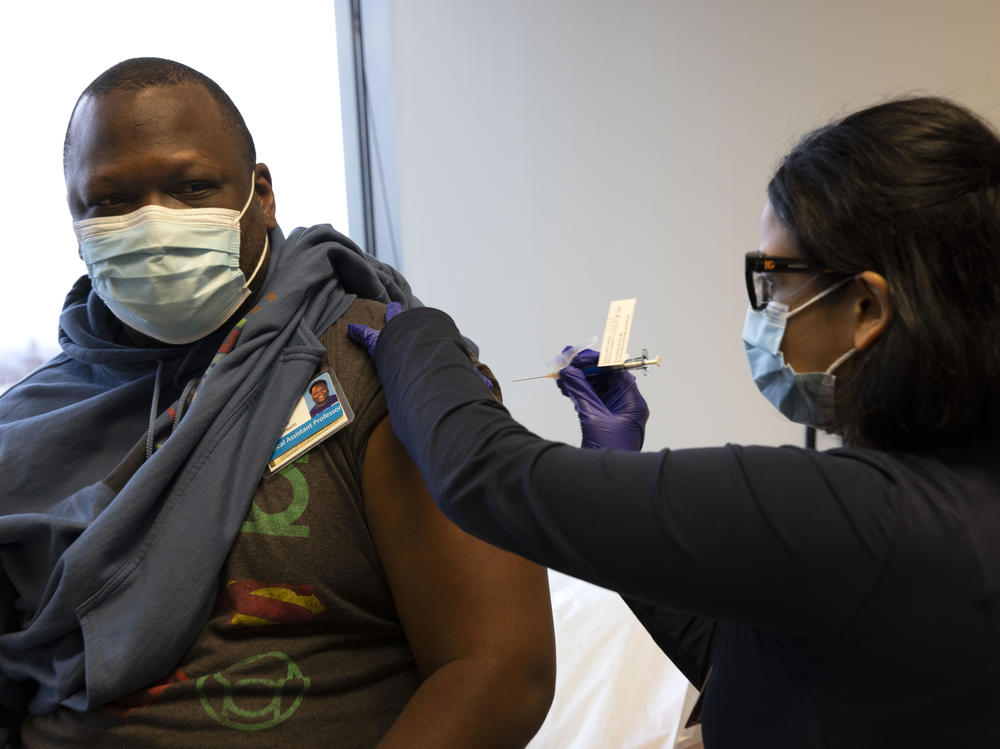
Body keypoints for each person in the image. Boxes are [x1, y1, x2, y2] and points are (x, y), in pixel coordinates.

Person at [349, 96, 1000, 748]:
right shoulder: (959, 499)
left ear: (866, 306)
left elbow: (486, 476)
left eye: (773, 283)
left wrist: (415, 336)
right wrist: (621, 478)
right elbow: (750, 662)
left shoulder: (857, 516)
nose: (762, 314)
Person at [0, 58, 555, 748]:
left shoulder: (384, 368)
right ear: (74, 218)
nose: (154, 224)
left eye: (191, 186)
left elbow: (500, 669)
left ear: (260, 194)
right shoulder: (24, 425)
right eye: (110, 201)